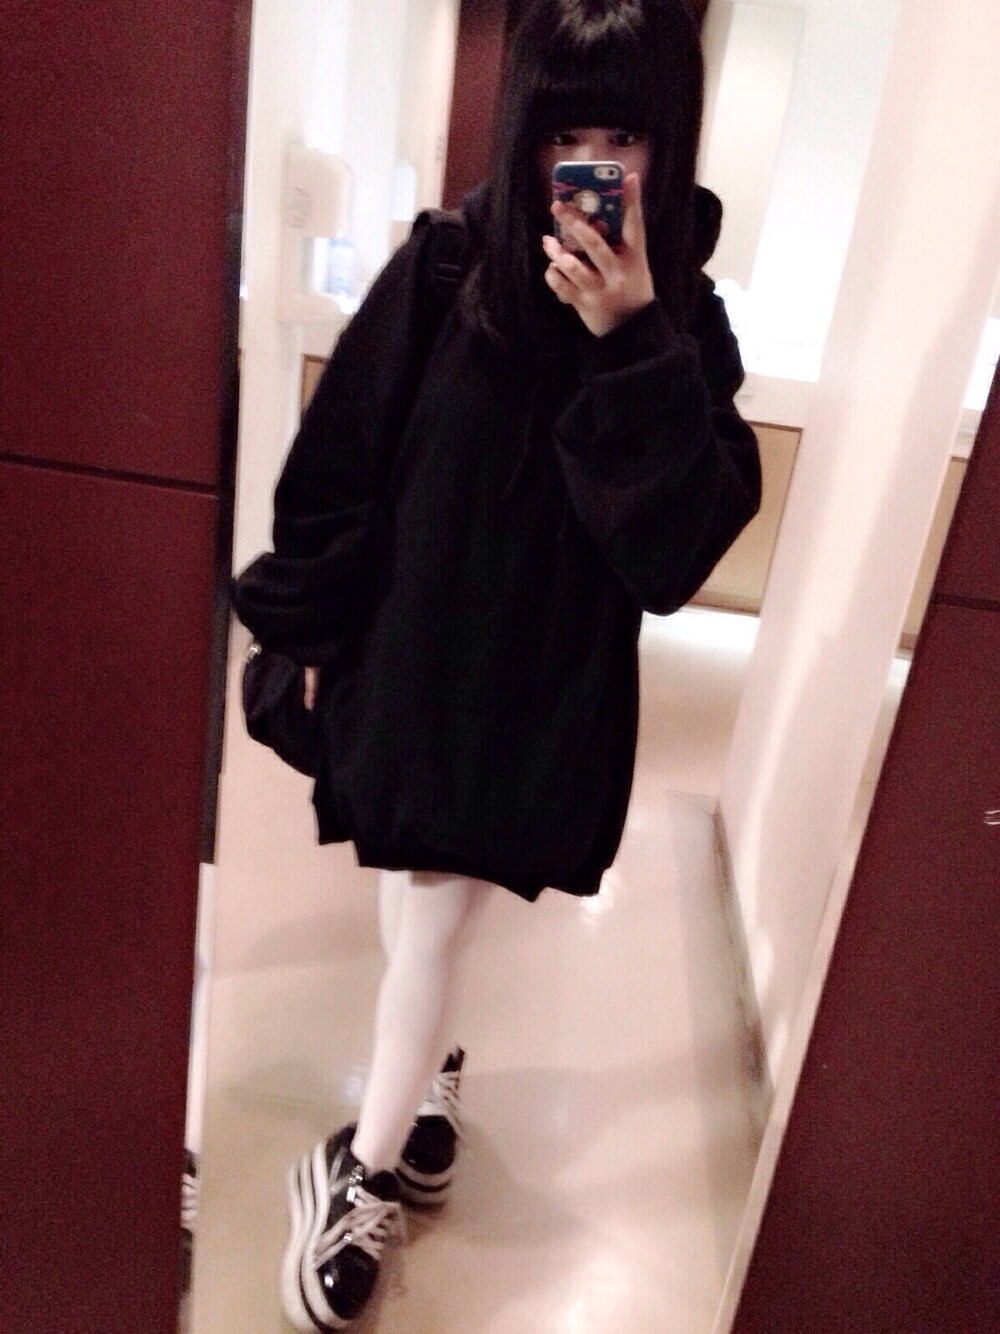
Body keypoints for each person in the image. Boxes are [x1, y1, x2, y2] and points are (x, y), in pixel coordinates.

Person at [232, 0, 761, 1327]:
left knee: (438, 915)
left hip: (540, 689)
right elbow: (340, 462)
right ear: (524, 127)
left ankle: (386, 1124)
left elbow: (675, 553)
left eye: (625, 135)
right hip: (414, 659)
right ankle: (390, 1125)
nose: (593, 167)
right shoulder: (445, 267)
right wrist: (308, 628)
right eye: (566, 132)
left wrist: (633, 343)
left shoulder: (687, 324)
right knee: (423, 900)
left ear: (670, 137)